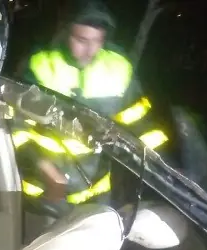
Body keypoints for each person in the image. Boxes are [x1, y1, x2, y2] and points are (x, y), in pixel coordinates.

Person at [13, 0, 168, 212]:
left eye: (97, 41)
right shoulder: (39, 67)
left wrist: (160, 167)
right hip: (43, 194)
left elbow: (139, 121)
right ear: (65, 33)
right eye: (81, 40)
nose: (89, 50)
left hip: (97, 197)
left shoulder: (119, 69)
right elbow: (15, 127)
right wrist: (43, 167)